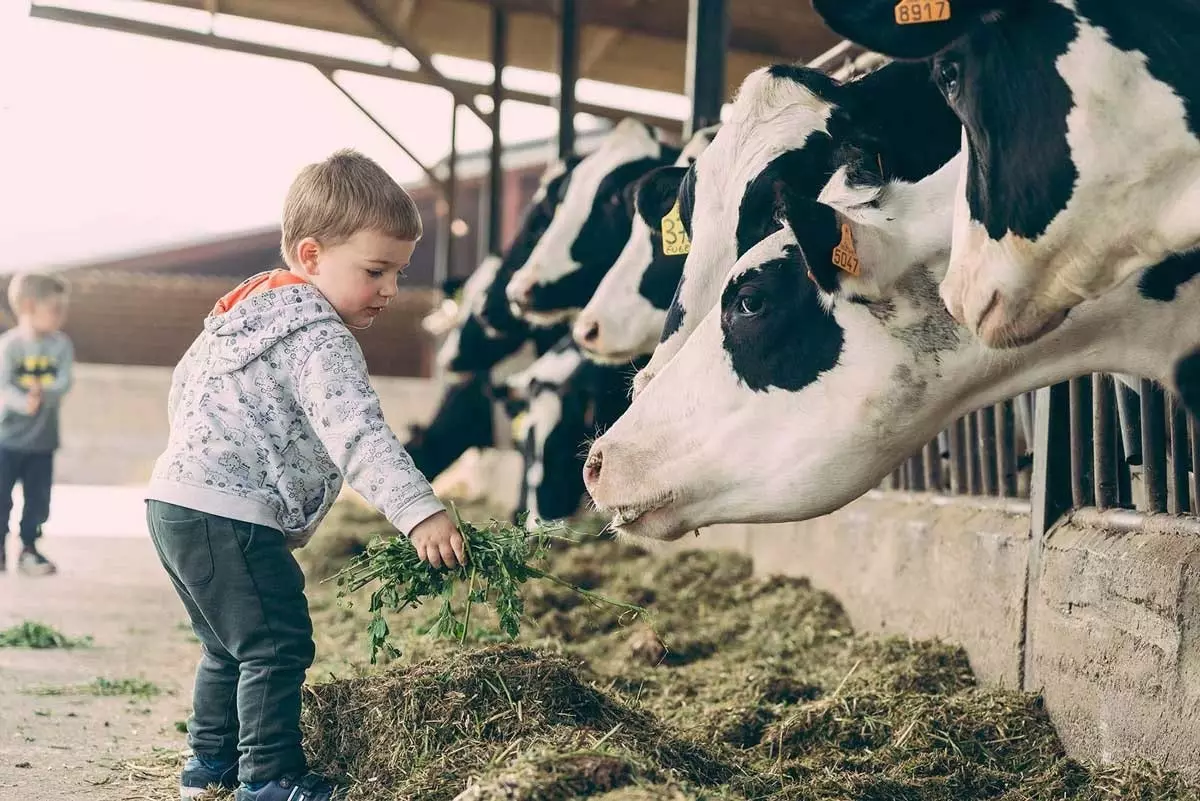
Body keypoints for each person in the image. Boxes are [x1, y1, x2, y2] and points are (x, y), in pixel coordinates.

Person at [145, 149, 465, 801]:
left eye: (398, 273)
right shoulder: (319, 334)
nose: (390, 290)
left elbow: (184, 387)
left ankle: (211, 766)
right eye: (376, 270)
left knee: (228, 644)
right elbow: (358, 432)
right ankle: (269, 778)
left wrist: (188, 458)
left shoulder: (244, 314)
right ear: (312, 254)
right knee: (277, 640)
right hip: (227, 510)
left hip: (175, 501)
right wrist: (419, 510)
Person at [0, 272, 73, 577]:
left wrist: (46, 394)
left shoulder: (61, 345)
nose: (61, 316)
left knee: (37, 500)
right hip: (7, 441)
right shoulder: (9, 346)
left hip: (43, 441)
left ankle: (29, 549)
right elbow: (3, 387)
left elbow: (64, 381)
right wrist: (22, 402)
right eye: (55, 309)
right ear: (29, 306)